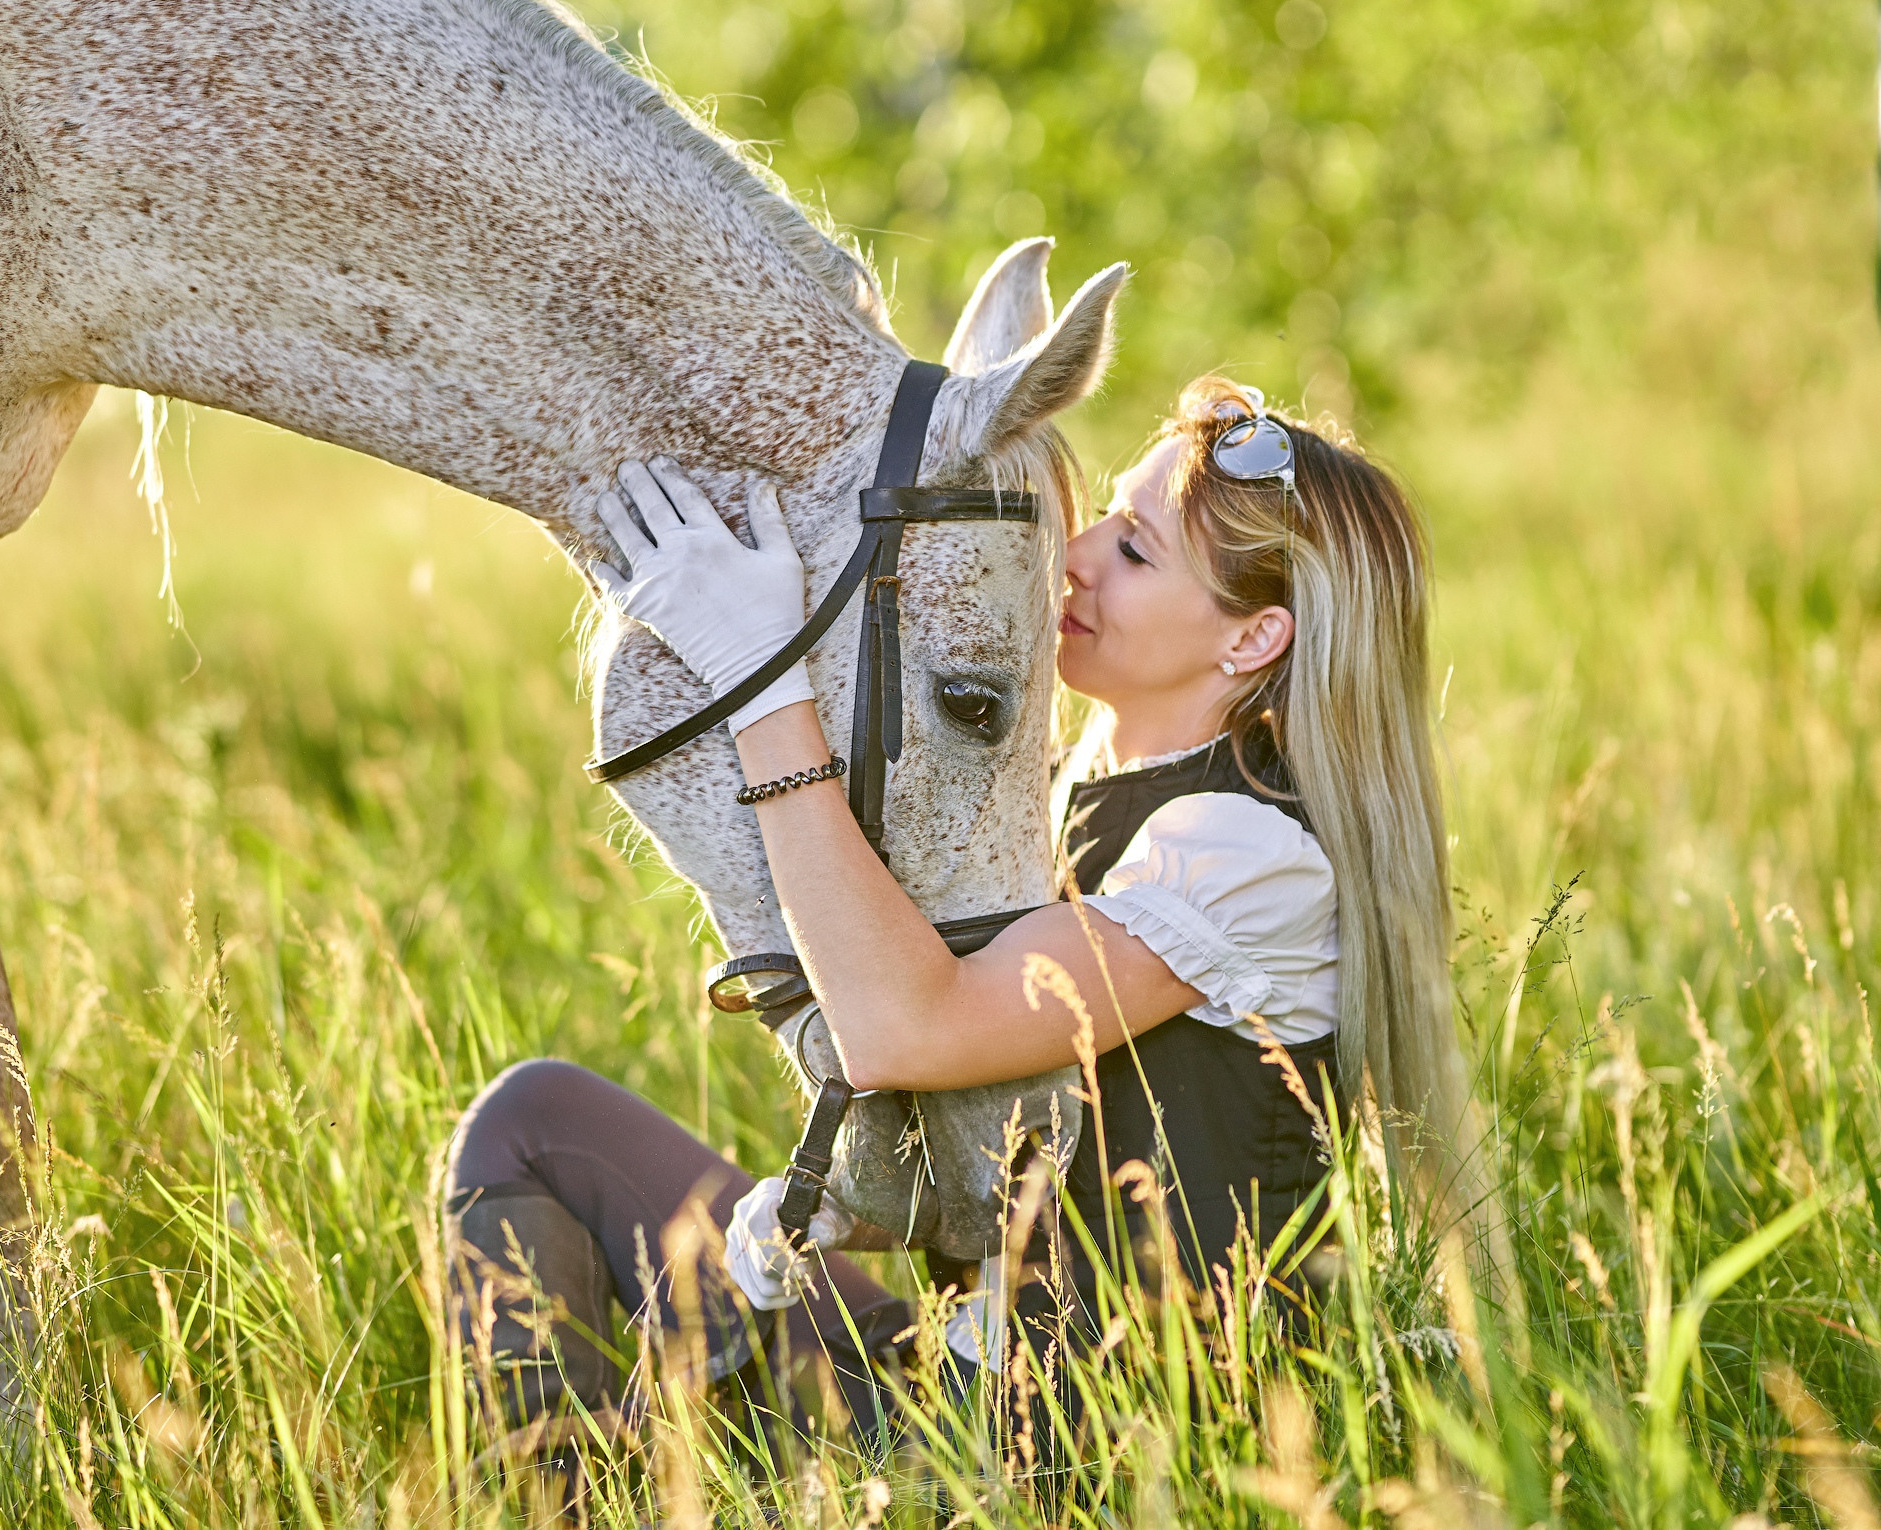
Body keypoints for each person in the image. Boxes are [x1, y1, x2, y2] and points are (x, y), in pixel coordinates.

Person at [440, 377, 1464, 1476]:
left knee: (542, 1140)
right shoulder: (1077, 787)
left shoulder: (1239, 851)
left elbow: (903, 1030)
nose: (1077, 554)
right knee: (540, 1119)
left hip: (1087, 1453)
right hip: (972, 1373)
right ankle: (592, 1483)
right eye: (1111, 515)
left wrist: (760, 676)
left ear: (1253, 638)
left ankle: (592, 1494)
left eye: (1137, 550)